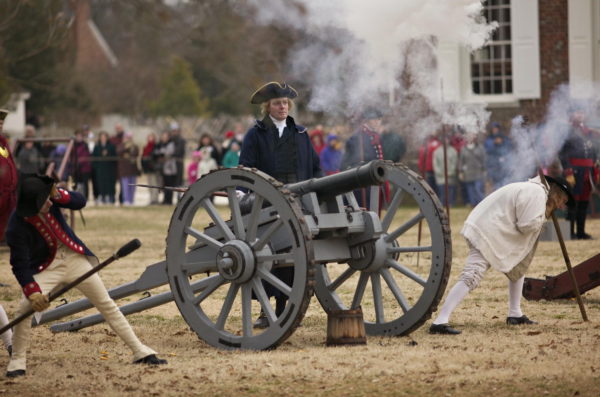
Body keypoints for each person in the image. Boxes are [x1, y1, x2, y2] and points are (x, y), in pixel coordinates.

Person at [4, 174, 167, 377]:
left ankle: (140, 351)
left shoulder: (52, 199)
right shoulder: (16, 226)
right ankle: (18, 360)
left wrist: (59, 194)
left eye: (48, 197)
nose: (48, 203)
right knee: (24, 309)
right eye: (43, 201)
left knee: (106, 303)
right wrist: (33, 293)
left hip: (73, 258)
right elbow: (19, 265)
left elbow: (80, 201)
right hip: (45, 268)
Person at [429, 175, 574, 335]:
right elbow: (526, 225)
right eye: (563, 200)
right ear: (556, 194)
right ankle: (440, 321)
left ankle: (515, 314)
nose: (561, 206)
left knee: (518, 267)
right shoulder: (537, 193)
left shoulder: (536, 191)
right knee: (472, 275)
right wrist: (543, 219)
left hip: (490, 226)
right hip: (487, 230)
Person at [239, 81, 321, 328]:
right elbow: (246, 167)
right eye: (277, 103)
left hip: (298, 202)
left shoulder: (300, 134)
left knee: (295, 258)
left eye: (285, 103)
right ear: (267, 107)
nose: (282, 107)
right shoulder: (256, 134)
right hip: (266, 205)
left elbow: (315, 167)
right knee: (267, 259)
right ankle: (266, 311)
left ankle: (284, 308)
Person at [559, 108, 599, 239]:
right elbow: (562, 153)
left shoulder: (587, 131)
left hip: (588, 171)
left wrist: (595, 167)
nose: (580, 115)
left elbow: (593, 150)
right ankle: (570, 233)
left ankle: (581, 232)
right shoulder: (566, 131)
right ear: (572, 115)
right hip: (575, 171)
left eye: (582, 112)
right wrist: (568, 171)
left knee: (584, 202)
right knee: (573, 202)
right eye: (577, 112)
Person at [340, 108, 386, 207]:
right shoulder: (358, 137)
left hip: (374, 177)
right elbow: (348, 161)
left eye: (379, 119)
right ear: (367, 120)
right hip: (362, 179)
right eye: (374, 119)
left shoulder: (375, 135)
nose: (377, 122)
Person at [0, 109, 18, 245]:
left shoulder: (3, 142)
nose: (0, 126)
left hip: (8, 193)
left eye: (1, 124)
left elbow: (10, 162)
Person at [458, 135, 486, 207]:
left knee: (477, 189)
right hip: (468, 173)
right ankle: (473, 204)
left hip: (478, 172)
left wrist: (484, 169)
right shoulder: (463, 149)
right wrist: (461, 171)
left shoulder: (480, 148)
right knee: (470, 190)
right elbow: (461, 161)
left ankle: (482, 203)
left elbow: (484, 159)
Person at [484, 122, 513, 191]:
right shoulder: (489, 140)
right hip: (493, 164)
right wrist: (494, 143)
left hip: (504, 164)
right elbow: (487, 150)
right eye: (493, 129)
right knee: (495, 182)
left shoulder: (504, 138)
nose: (495, 130)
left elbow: (509, 148)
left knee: (504, 182)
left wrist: (502, 142)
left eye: (496, 128)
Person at [92, 131, 117, 204]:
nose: (103, 139)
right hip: (100, 169)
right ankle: (102, 197)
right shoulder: (97, 147)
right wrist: (97, 168)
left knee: (110, 184)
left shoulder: (111, 146)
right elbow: (94, 158)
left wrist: (108, 154)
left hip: (109, 169)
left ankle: (111, 198)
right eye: (101, 137)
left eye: (104, 137)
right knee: (101, 183)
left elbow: (114, 157)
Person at [432, 138, 458, 207]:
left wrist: (450, 172)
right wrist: (440, 173)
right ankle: (441, 205)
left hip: (450, 176)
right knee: (442, 192)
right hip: (441, 177)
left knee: (451, 192)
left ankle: (451, 204)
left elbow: (454, 163)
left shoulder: (453, 151)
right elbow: (435, 164)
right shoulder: (437, 151)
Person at [117, 132, 140, 206]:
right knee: (125, 186)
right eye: (127, 137)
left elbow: (135, 154)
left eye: (130, 138)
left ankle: (131, 200)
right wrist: (126, 148)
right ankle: (126, 200)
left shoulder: (134, 146)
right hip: (124, 170)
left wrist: (128, 152)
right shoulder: (121, 145)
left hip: (133, 170)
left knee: (133, 186)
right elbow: (119, 152)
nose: (128, 139)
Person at [156, 131, 177, 205]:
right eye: (163, 137)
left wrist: (162, 154)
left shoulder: (171, 144)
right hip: (163, 169)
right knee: (164, 185)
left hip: (170, 169)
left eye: (165, 137)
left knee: (169, 185)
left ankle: (169, 200)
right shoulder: (160, 144)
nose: (164, 138)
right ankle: (165, 199)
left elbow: (167, 153)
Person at [73, 129, 92, 199]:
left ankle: (86, 198)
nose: (79, 138)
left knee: (85, 183)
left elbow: (87, 156)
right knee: (76, 183)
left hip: (85, 168)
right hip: (76, 168)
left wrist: (80, 161)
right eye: (77, 136)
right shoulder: (73, 145)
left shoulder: (85, 145)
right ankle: (77, 197)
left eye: (80, 136)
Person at [141, 133, 160, 205]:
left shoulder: (156, 146)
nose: (150, 139)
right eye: (149, 137)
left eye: (151, 137)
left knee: (155, 184)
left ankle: (155, 199)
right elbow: (143, 158)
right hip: (148, 169)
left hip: (154, 169)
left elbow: (156, 157)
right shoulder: (146, 147)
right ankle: (151, 199)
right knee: (149, 185)